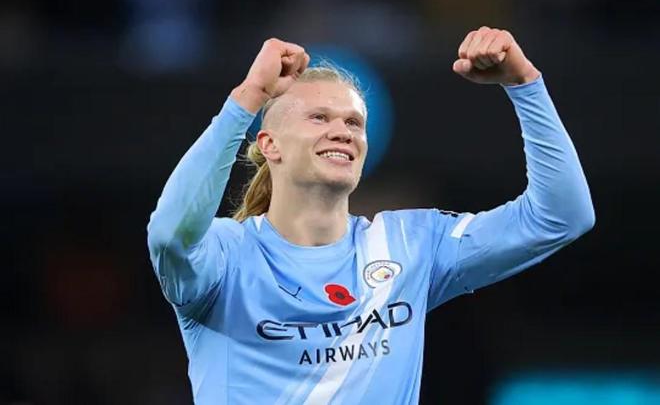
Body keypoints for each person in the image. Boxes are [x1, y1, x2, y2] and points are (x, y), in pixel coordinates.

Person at [147, 27, 595, 405]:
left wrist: (525, 83)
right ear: (269, 145)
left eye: (354, 123)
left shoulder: (412, 245)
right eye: (319, 117)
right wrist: (247, 98)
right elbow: (169, 235)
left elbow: (560, 216)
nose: (342, 131)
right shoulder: (227, 256)